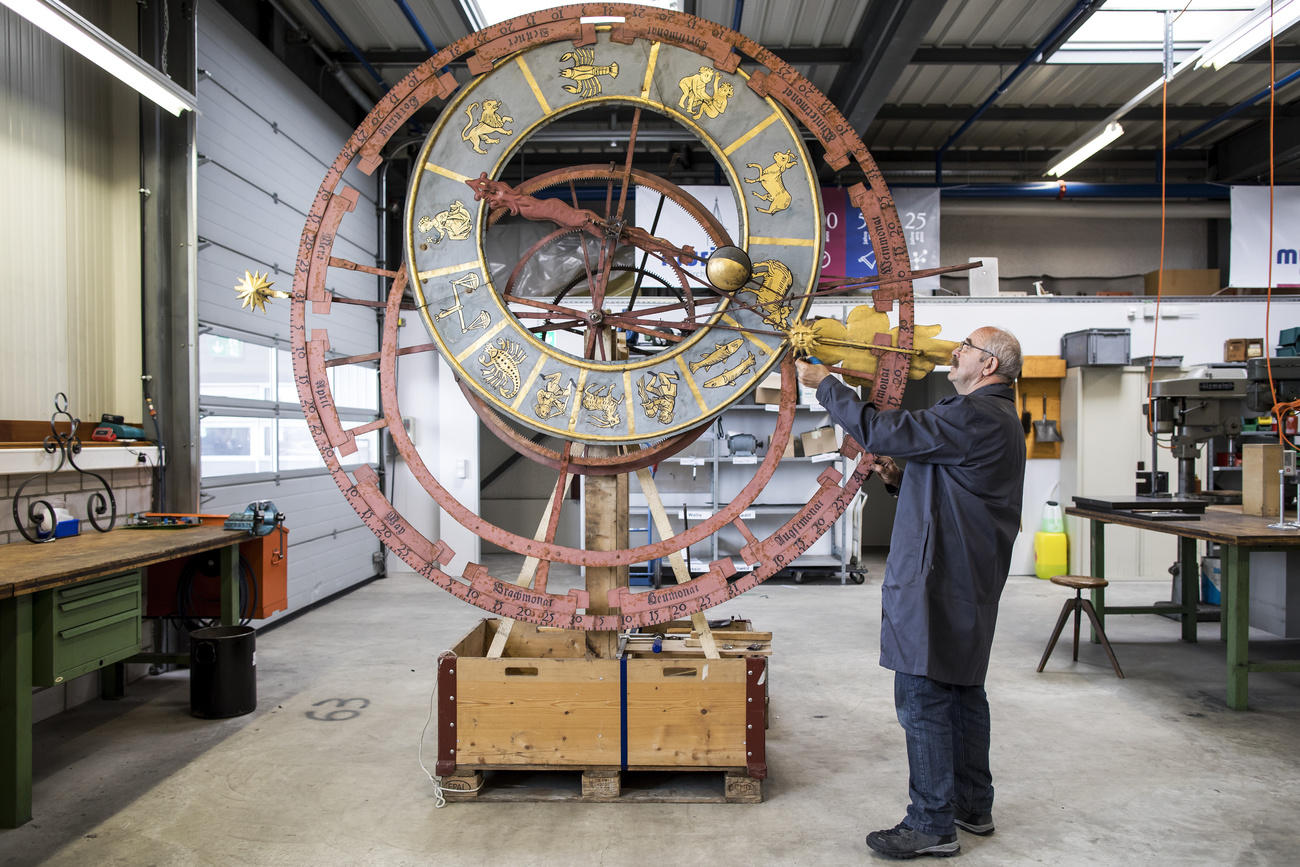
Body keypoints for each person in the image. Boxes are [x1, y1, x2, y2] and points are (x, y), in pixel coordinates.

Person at [796, 326, 1026, 860]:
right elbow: (953, 483)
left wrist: (825, 383)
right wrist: (899, 476)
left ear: (989, 366)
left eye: (966, 347)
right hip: (965, 571)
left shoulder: (975, 414)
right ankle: (973, 805)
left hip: (939, 577)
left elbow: (880, 429)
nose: (955, 352)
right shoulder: (992, 418)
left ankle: (932, 824)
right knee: (962, 690)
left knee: (922, 694)